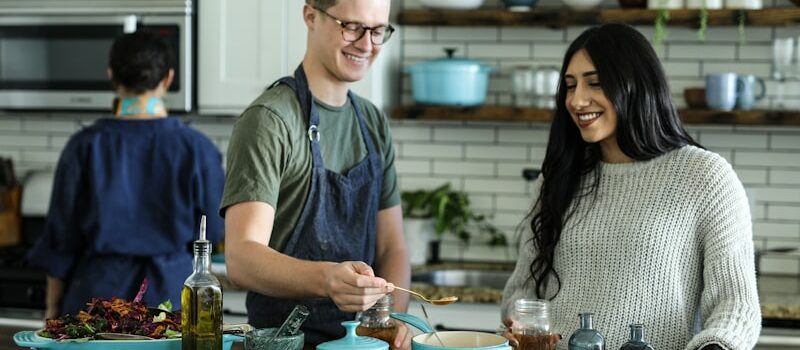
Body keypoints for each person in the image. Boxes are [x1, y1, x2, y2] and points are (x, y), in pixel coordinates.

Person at [501, 23, 760, 350]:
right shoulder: (558, 179)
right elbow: (521, 294)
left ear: (636, 85)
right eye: (570, 86)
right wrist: (517, 325)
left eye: (595, 83)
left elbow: (736, 306)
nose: (577, 100)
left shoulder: (704, 176)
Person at [220, 0, 411, 348]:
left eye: (378, 31)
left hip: (363, 344)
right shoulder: (270, 120)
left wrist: (394, 318)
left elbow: (392, 247)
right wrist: (327, 280)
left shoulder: (372, 122)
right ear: (311, 15)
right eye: (352, 27)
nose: (366, 44)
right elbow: (241, 257)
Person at [27, 30, 225, 319]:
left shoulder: (84, 146)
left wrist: (51, 310)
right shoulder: (199, 150)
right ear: (168, 78)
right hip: (170, 303)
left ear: (111, 75)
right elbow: (214, 232)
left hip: (96, 303)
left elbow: (60, 242)